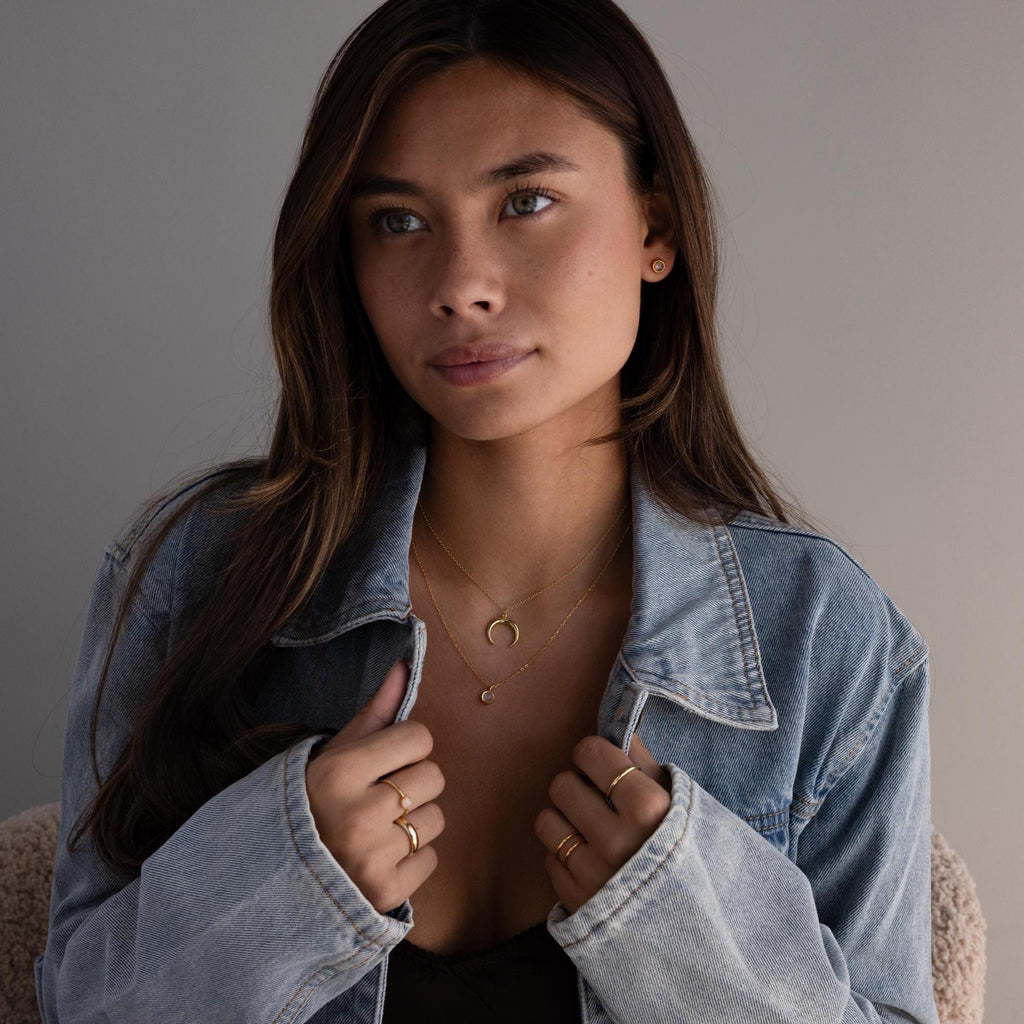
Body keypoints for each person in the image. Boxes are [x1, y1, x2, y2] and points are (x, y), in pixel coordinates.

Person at [34, 1, 939, 1022]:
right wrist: (279, 880)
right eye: (399, 221)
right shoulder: (194, 578)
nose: (460, 284)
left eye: (527, 202)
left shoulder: (820, 636)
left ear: (655, 228)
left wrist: (687, 934)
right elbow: (79, 1003)